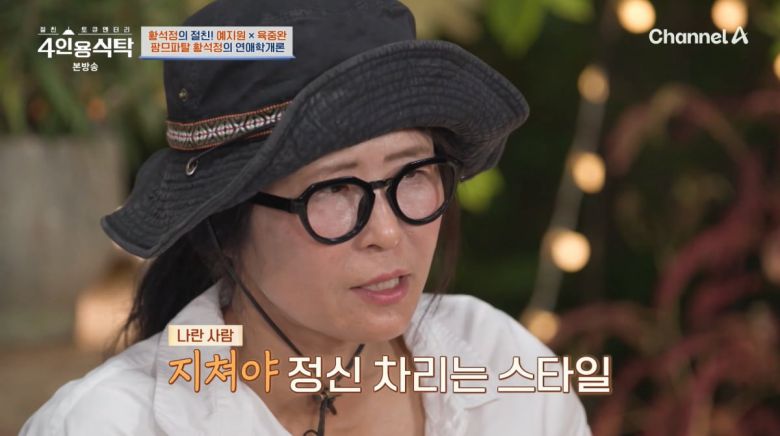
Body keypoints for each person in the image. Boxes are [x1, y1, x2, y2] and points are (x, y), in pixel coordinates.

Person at [21, 0, 591, 435]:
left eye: (413, 173)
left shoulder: (503, 366)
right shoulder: (108, 423)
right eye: (336, 188)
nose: (387, 232)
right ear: (222, 228)